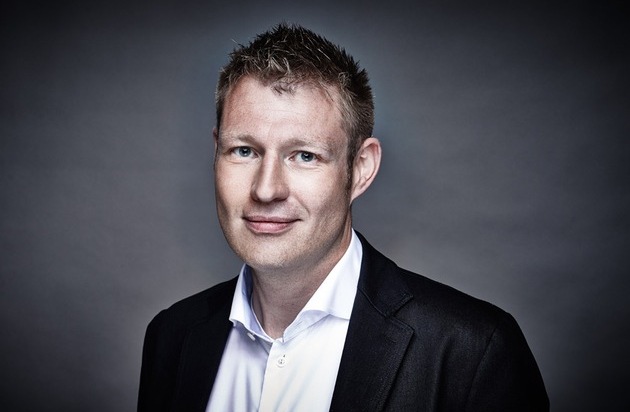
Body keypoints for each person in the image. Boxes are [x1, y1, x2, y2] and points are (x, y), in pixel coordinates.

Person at [138, 23, 549, 411]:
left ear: (361, 169)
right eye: (244, 151)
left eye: (304, 156)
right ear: (216, 152)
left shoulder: (473, 351)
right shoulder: (171, 336)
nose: (266, 189)